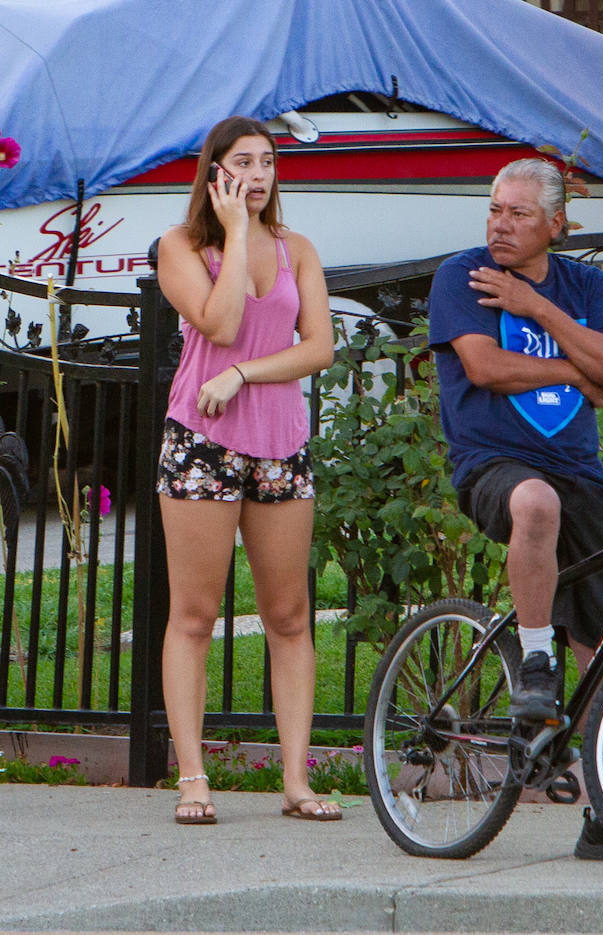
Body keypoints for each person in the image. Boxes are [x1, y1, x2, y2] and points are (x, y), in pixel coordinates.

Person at [428, 157, 603, 861]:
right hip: (493, 463)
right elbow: (486, 368)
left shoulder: (583, 285)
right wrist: (576, 369)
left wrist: (536, 309)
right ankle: (535, 667)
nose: (500, 225)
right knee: (533, 503)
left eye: (519, 214)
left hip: (580, 473)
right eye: (495, 209)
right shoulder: (464, 276)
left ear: (555, 225)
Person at [156, 115, 337, 825]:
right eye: (243, 163)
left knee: (289, 616)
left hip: (280, 443)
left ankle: (296, 780)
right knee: (195, 615)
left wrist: (242, 375)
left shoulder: (299, 249)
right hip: (203, 442)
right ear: (215, 173)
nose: (258, 176)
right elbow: (221, 322)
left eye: (267, 162)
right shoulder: (181, 247)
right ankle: (194, 779)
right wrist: (233, 237)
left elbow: (318, 347)